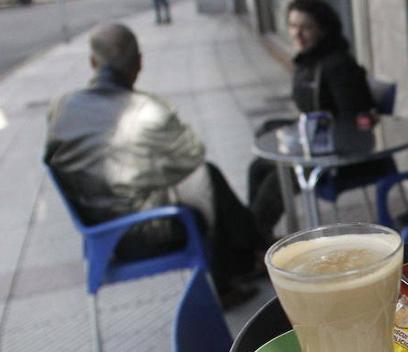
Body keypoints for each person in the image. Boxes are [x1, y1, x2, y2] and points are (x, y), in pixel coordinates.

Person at [45, 23, 265, 307]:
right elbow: (194, 155)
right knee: (204, 178)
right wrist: (152, 168)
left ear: (93, 63)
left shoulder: (62, 105)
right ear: (139, 63)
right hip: (139, 234)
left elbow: (55, 156)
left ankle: (246, 258)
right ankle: (245, 260)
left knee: (202, 181)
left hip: (96, 230)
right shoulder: (145, 110)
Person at [247, 0, 387, 238]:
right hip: (316, 140)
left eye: (305, 27)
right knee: (259, 166)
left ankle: (252, 242)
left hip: (341, 154)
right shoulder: (308, 61)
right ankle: (256, 237)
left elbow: (352, 120)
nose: (297, 34)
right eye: (292, 26)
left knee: (278, 178)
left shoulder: (337, 65)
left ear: (322, 30)